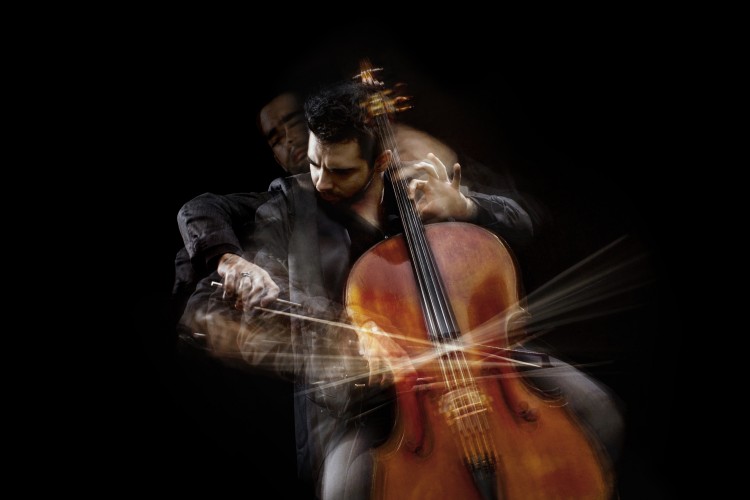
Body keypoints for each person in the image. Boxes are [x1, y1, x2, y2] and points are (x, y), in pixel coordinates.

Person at [179, 80, 623, 499]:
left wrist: (466, 205)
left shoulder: (416, 185)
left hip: (478, 359)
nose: (320, 181)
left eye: (339, 170)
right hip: (365, 399)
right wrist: (231, 260)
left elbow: (523, 223)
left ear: (381, 161)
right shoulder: (290, 208)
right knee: (343, 490)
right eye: (314, 162)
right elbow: (201, 217)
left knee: (598, 410)